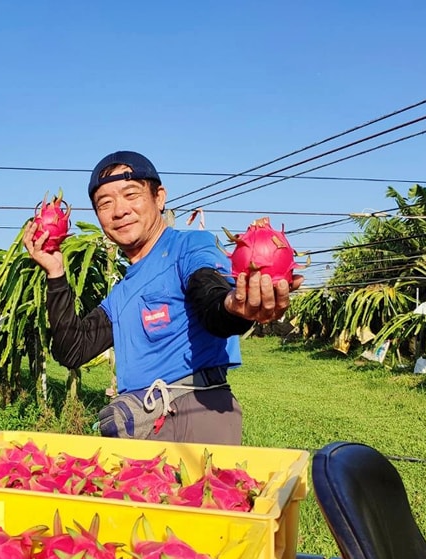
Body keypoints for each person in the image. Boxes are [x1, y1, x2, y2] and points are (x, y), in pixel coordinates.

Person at [22, 150, 304, 445]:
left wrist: (233, 307)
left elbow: (209, 296)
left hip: (194, 415)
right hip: (139, 423)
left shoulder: (190, 247)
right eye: (105, 203)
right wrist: (55, 272)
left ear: (159, 197)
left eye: (131, 194)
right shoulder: (122, 292)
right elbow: (73, 351)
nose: (119, 211)